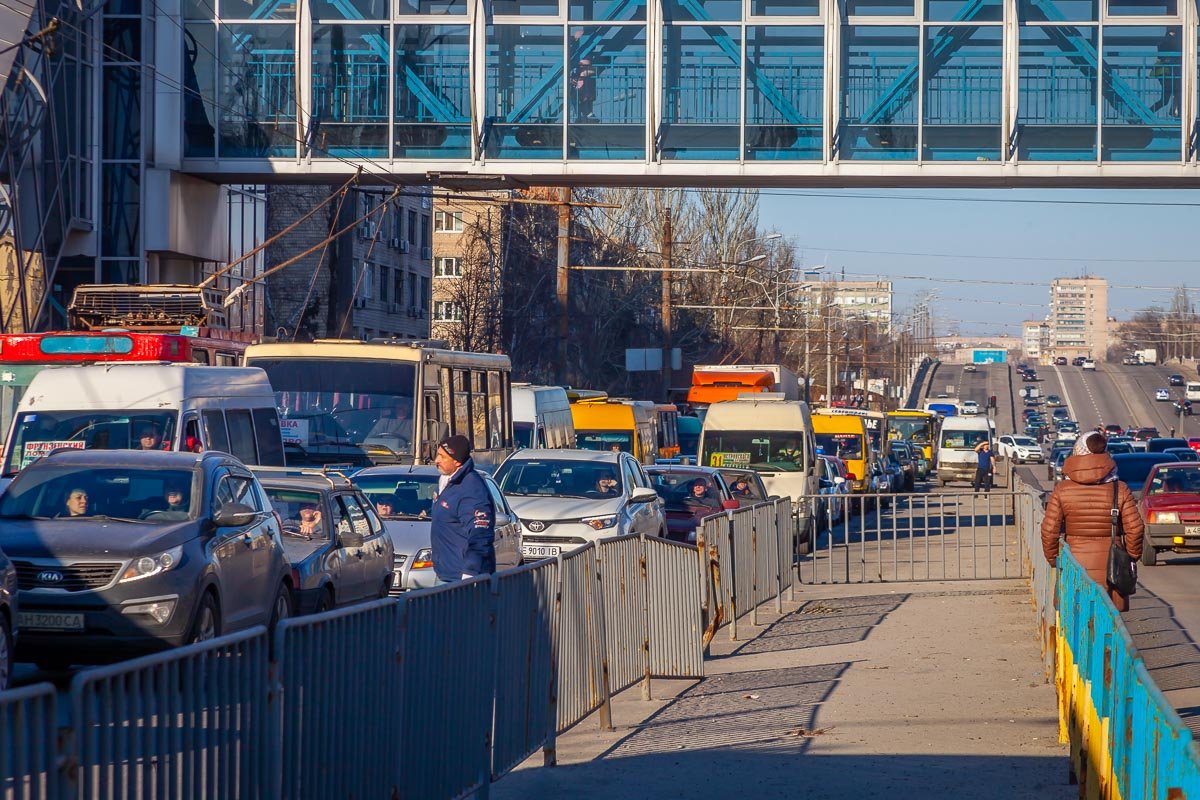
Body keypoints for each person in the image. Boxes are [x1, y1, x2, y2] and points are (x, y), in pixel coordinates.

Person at [1041, 431, 1144, 612]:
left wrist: (1055, 560)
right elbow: (1135, 529)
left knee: (1076, 621)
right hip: (1111, 568)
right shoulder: (1119, 488)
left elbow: (1049, 531)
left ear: (1078, 452)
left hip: (1074, 565)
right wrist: (1130, 558)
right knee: (1109, 627)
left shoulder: (1062, 489)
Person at [430, 434, 495, 584]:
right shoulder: (447, 481)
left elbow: (480, 533)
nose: (436, 460)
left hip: (464, 579)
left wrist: (470, 572)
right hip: (445, 574)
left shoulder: (472, 489)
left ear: (457, 462)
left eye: (442, 457)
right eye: (437, 454)